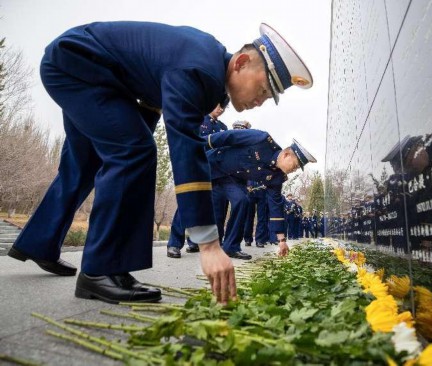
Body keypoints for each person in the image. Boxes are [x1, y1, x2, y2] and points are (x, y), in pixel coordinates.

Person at [8, 21, 313, 304]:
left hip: (84, 69)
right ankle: (99, 270)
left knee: (86, 163)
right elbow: (185, 147)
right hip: (78, 67)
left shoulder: (210, 70)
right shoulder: (201, 70)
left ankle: (38, 243)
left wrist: (135, 143)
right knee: (133, 152)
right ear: (241, 63)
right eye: (261, 90)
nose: (258, 102)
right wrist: (208, 244)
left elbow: (151, 99)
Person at [169, 129, 316, 260]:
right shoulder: (261, 140)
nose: (295, 170)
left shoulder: (277, 177)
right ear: (286, 154)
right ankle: (174, 243)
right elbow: (229, 136)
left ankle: (231, 247)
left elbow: (275, 206)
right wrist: (198, 146)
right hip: (212, 164)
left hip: (231, 180)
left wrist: (282, 241)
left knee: (243, 201)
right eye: (296, 165)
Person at [168, 104, 229, 258]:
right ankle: (174, 244)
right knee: (186, 204)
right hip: (195, 166)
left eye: (224, 107)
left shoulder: (223, 127)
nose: (220, 109)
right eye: (218, 105)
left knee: (205, 207)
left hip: (214, 172)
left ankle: (194, 242)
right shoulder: (199, 119)